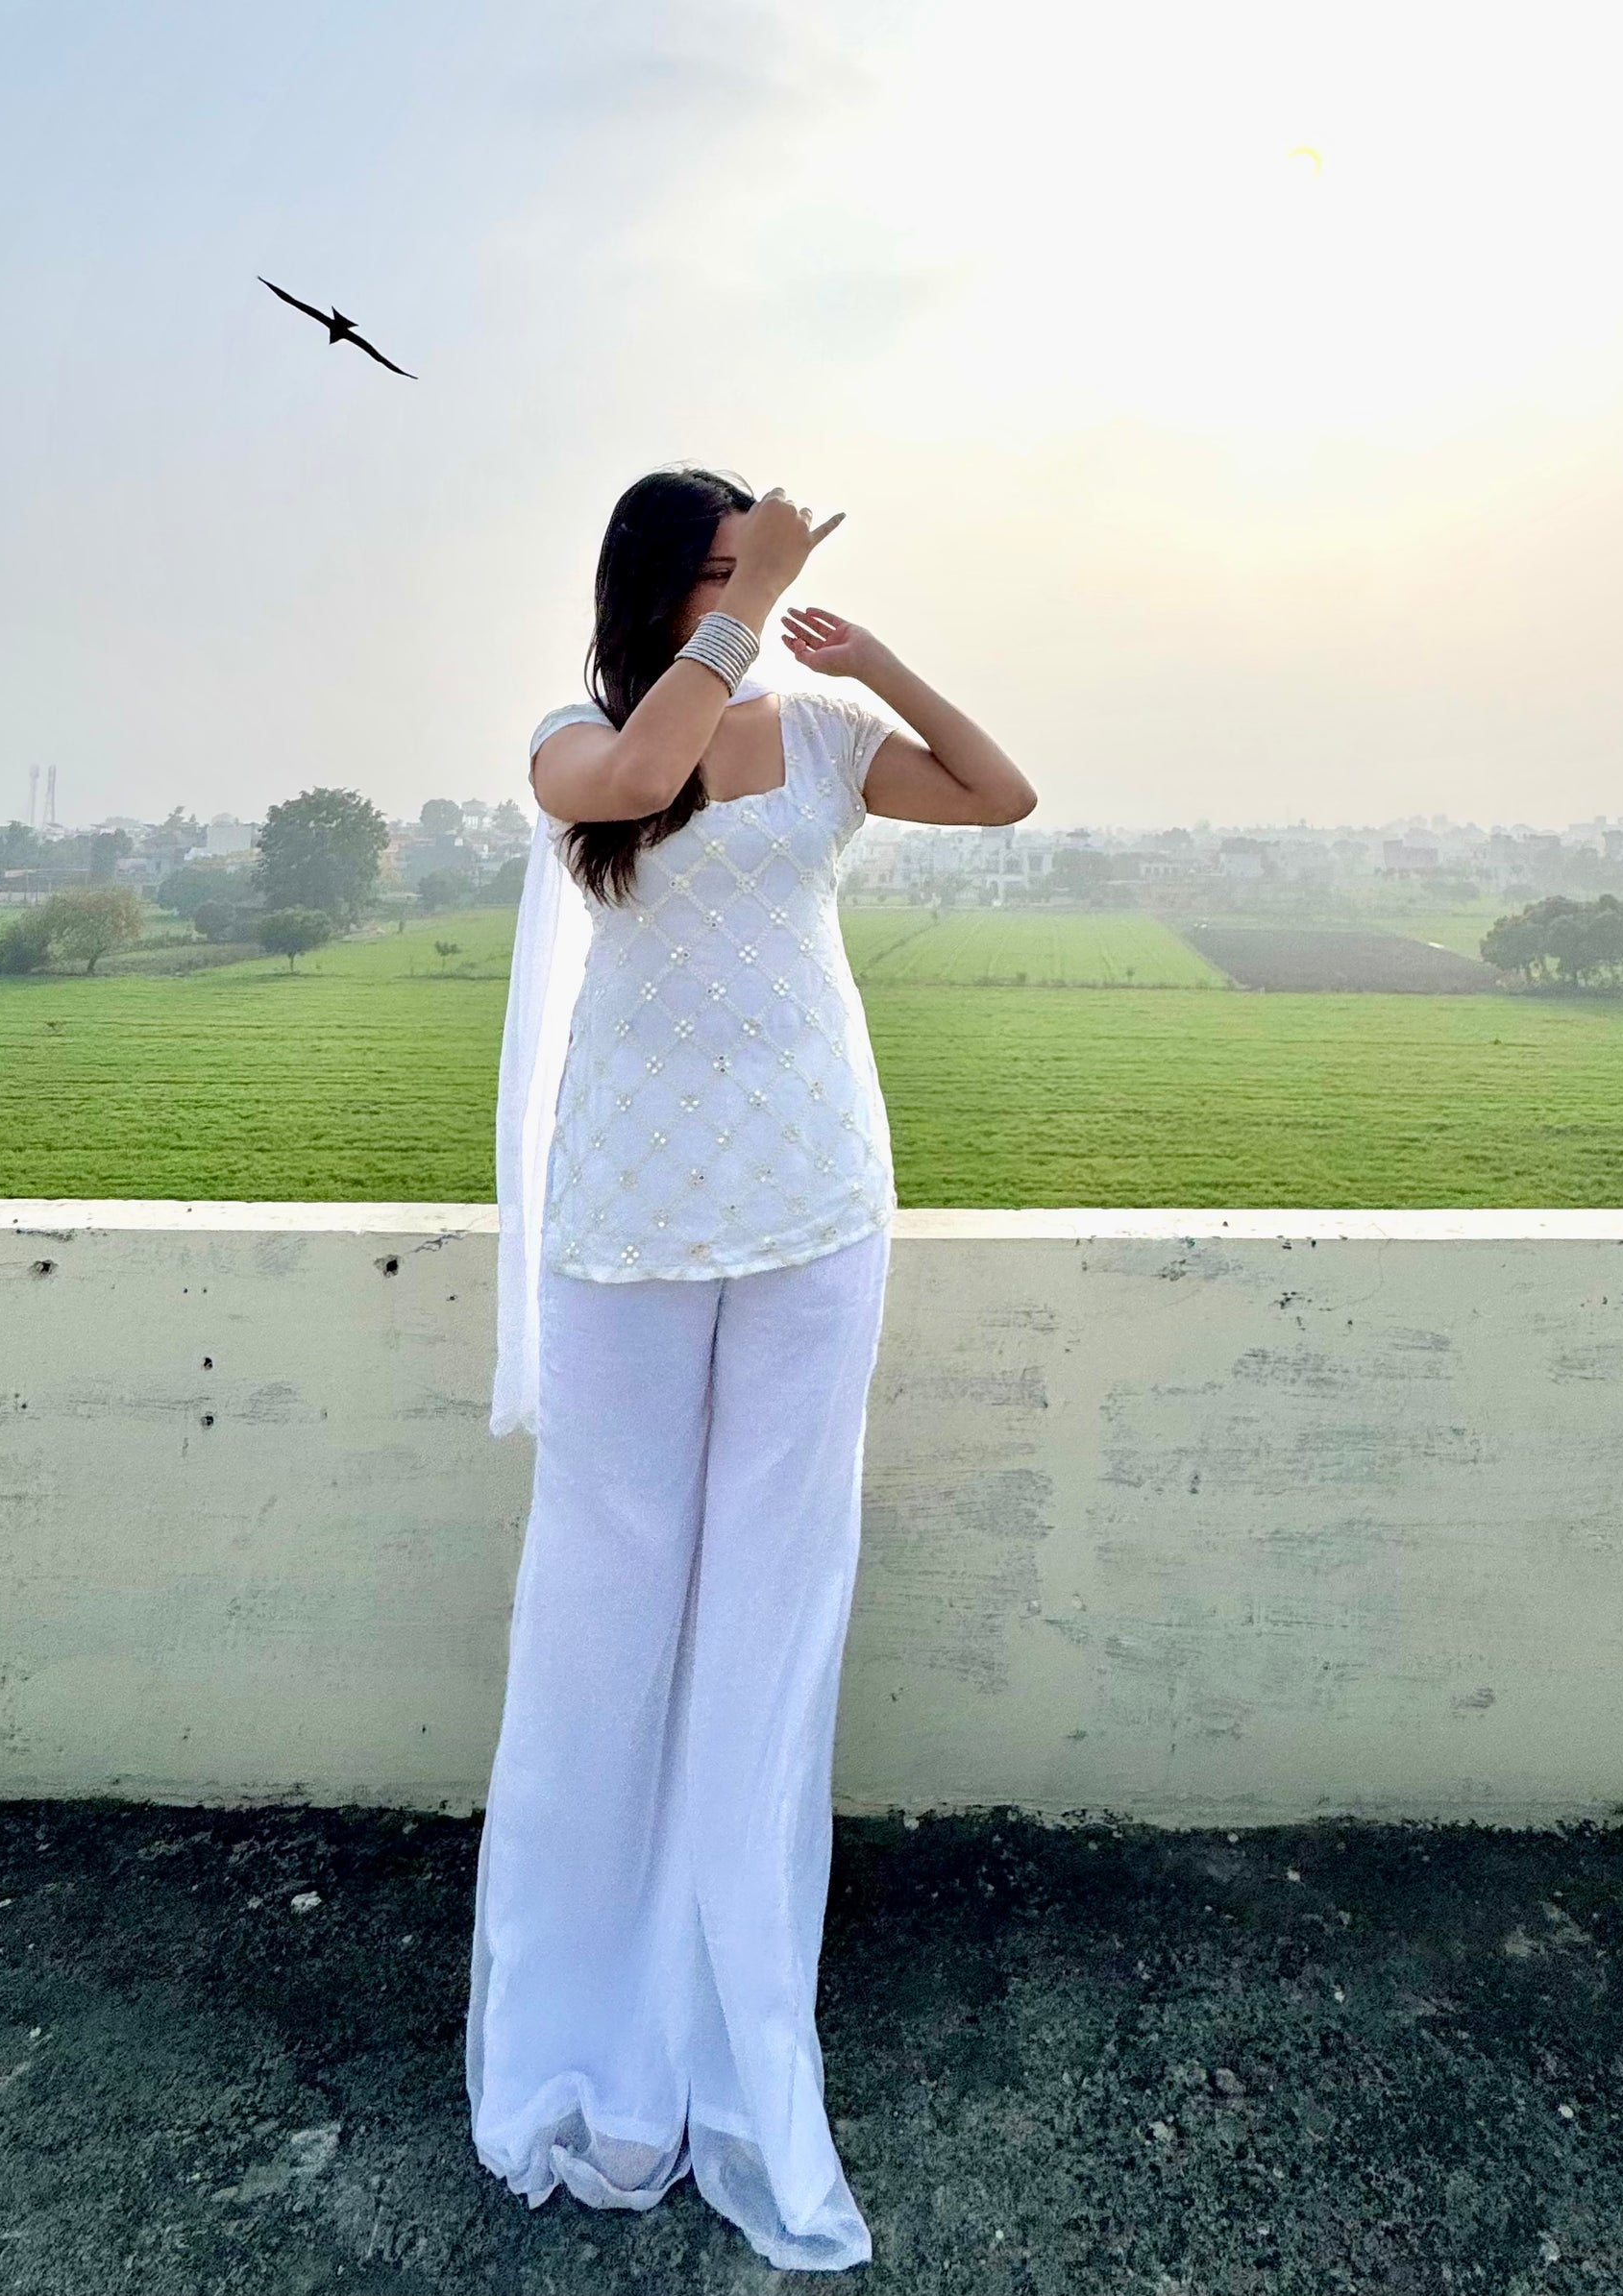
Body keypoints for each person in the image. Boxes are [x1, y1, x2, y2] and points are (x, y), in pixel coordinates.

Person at [465, 466, 1034, 2272]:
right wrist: (744, 611)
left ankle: (733, 2018)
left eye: (756, 568)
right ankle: (594, 2022)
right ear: (654, 586)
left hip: (814, 1202)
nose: (748, 593)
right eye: (716, 572)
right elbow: (642, 774)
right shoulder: (576, 740)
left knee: (775, 1601)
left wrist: (878, 660)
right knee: (608, 1599)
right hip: (627, 1216)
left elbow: (1001, 794)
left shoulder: (823, 734)